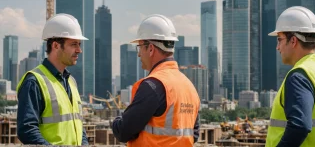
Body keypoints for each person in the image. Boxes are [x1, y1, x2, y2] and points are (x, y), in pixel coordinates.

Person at [111, 14, 200, 146]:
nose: (139, 53)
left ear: (151, 48)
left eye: (140, 47)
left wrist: (116, 122)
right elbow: (195, 135)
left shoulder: (153, 86)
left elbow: (123, 131)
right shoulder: (189, 86)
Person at [265, 6, 315, 146]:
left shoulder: (299, 76)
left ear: (293, 41)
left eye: (279, 39)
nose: (277, 47)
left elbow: (299, 126)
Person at [16, 14, 89, 145]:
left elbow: (78, 124)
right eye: (73, 44)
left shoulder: (71, 81)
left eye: (79, 44)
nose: (79, 50)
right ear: (55, 46)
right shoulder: (34, 81)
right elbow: (27, 130)